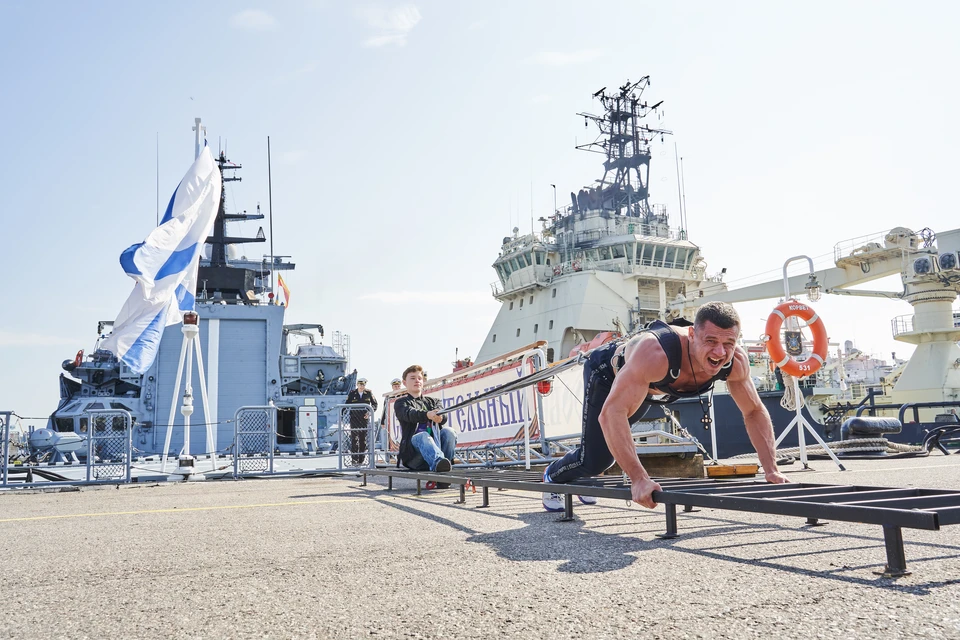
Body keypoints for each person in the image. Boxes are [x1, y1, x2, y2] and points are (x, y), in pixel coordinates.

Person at [542, 301, 791, 512]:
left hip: (650, 390)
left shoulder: (735, 362)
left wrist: (771, 470)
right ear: (692, 334)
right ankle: (552, 474)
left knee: (609, 448)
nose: (719, 352)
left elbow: (754, 411)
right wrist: (639, 480)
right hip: (608, 374)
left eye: (729, 343)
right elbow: (611, 414)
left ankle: (583, 475)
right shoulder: (656, 353)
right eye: (711, 340)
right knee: (596, 460)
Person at [394, 365, 456, 475]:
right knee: (422, 436)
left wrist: (440, 416)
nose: (417, 381)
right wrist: (428, 414)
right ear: (404, 382)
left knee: (449, 432)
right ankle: (439, 463)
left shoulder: (434, 401)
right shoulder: (400, 403)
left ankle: (443, 465)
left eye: (419, 378)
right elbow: (410, 414)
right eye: (412, 378)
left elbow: (443, 415)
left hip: (437, 448)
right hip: (414, 457)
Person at [345, 378, 378, 466]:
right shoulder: (352, 393)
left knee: (363, 440)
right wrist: (341, 416)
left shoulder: (369, 393)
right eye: (360, 384)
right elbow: (346, 404)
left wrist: (370, 412)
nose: (362, 386)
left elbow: (375, 404)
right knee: (354, 440)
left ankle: (361, 460)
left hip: (364, 419)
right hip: (354, 419)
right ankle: (354, 459)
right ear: (357, 385)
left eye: (363, 385)